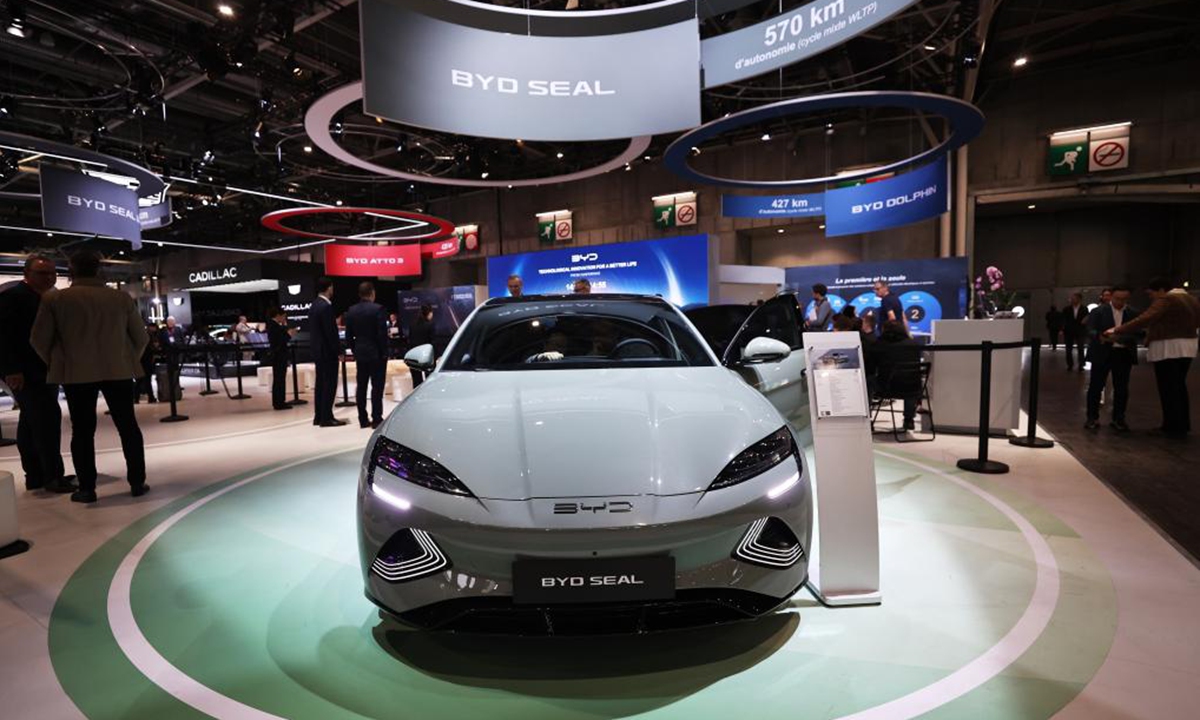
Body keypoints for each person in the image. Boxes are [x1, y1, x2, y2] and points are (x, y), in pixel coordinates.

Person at [30, 250, 149, 504]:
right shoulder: (121, 298)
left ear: (71, 270)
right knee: (128, 427)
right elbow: (141, 338)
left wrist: (56, 362)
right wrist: (127, 360)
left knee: (82, 432)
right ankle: (137, 482)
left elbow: (38, 340)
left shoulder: (55, 300)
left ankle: (87, 488)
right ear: (98, 270)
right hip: (118, 371)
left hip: (76, 373)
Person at [0, 255, 74, 494]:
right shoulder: (13, 298)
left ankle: (36, 475)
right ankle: (52, 476)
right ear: (27, 274)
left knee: (31, 422)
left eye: (53, 273)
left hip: (44, 370)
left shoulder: (46, 298)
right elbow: (4, 339)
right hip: (26, 373)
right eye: (43, 273)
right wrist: (11, 369)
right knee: (46, 421)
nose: (50, 278)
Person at [1108, 277, 1200, 438]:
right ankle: (1181, 425)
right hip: (1188, 346)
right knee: (1179, 387)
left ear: (1161, 290)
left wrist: (1118, 329)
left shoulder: (1167, 299)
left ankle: (1171, 427)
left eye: (1151, 294)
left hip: (1168, 347)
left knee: (1168, 388)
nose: (1152, 298)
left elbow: (1145, 318)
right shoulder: (1191, 299)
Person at [1084, 285, 1140, 432]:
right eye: (1117, 298)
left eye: (1124, 299)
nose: (1120, 302)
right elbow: (1090, 329)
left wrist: (1120, 338)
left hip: (1123, 354)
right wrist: (1101, 336)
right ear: (1110, 297)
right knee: (1096, 387)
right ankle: (1092, 418)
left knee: (1121, 388)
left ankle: (1119, 418)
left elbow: (1138, 333)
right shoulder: (1098, 311)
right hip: (1101, 352)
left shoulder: (1133, 313)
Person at [344, 282, 389, 429]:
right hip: (376, 354)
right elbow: (382, 335)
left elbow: (348, 336)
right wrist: (384, 353)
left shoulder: (351, 310)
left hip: (361, 354)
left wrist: (355, 350)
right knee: (377, 387)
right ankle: (376, 418)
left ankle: (362, 419)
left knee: (361, 386)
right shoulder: (378, 309)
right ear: (372, 293)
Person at [306, 277, 346, 427]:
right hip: (327, 352)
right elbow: (330, 332)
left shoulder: (314, 305)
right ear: (329, 288)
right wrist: (338, 350)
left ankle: (319, 416)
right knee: (329, 384)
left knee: (321, 384)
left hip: (318, 351)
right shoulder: (326, 307)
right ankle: (326, 417)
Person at [871, 320, 924, 431]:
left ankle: (866, 417)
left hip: (887, 388)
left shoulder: (880, 344)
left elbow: (872, 365)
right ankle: (909, 419)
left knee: (867, 379)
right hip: (913, 388)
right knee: (910, 382)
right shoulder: (913, 344)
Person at [266, 307, 295, 411]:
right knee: (279, 379)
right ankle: (279, 403)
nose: (284, 318)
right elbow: (279, 341)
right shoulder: (273, 326)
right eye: (283, 316)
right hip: (279, 356)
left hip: (279, 355)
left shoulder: (274, 325)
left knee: (280, 379)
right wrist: (289, 335)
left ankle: (280, 401)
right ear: (278, 315)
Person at [407, 304, 435, 387]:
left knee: (416, 382)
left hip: (414, 356)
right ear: (429, 313)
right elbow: (433, 342)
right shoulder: (430, 325)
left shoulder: (412, 324)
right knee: (430, 381)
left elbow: (410, 339)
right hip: (427, 356)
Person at [1061, 293, 1088, 371]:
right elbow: (1063, 319)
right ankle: (1070, 364)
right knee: (1068, 349)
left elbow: (1086, 318)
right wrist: (1062, 329)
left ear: (1079, 299)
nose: (1072, 300)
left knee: (1080, 347)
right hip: (1069, 331)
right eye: (1071, 298)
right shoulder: (1066, 309)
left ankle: (1081, 364)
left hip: (1080, 330)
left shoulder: (1084, 308)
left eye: (1074, 298)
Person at [136, 323, 159, 403]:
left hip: (141, 360)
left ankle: (136, 398)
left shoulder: (142, 335)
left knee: (139, 379)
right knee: (147, 379)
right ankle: (151, 398)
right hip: (146, 360)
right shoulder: (149, 335)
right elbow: (151, 348)